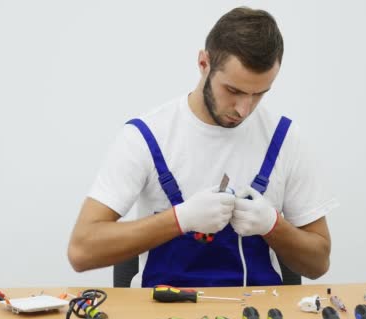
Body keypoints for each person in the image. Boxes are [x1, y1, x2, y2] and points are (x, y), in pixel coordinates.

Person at [68, 7, 338, 287]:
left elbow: (318, 264)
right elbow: (81, 251)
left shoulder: (284, 140)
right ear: (203, 63)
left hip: (256, 314)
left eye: (259, 94)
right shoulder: (147, 136)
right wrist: (180, 219)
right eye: (233, 91)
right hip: (162, 316)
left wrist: (274, 226)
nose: (244, 110)